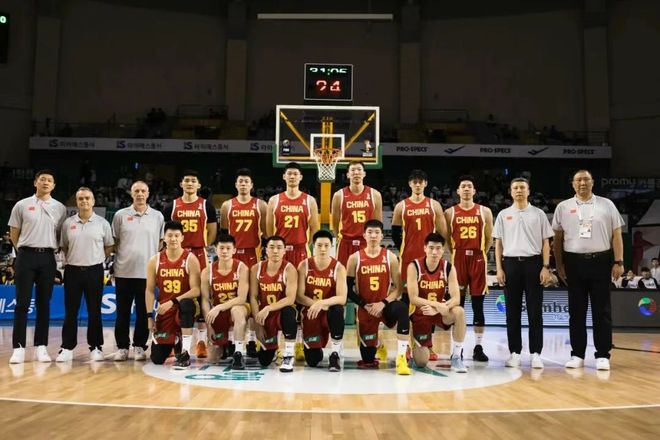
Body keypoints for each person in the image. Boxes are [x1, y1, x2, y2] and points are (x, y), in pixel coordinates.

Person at [553, 170, 625, 371]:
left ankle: (602, 355)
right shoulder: (563, 207)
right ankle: (577, 354)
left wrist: (618, 261)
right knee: (576, 312)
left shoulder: (607, 204)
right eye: (578, 180)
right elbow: (557, 239)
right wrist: (559, 265)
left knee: (602, 311)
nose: (582, 183)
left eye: (586, 179)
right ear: (573, 184)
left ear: (593, 182)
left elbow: (617, 235)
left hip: (601, 261)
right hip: (573, 263)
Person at [493, 177, 553, 369]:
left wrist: (545, 266)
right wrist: (499, 268)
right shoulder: (503, 215)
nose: (519, 190)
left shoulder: (539, 214)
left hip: (534, 264)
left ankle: (536, 353)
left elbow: (546, 242)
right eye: (515, 188)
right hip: (511, 264)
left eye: (522, 187)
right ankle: (515, 353)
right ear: (511, 192)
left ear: (528, 191)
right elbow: (498, 244)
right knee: (512, 312)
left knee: (535, 312)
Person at [8, 170, 67, 364]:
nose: (46, 182)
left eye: (49, 180)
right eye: (42, 179)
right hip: (26, 256)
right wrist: (23, 251)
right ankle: (18, 347)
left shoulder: (60, 208)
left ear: (54, 185)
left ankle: (41, 346)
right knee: (22, 303)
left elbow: (60, 234)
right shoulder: (22, 205)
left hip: (48, 257)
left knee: (44, 304)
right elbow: (14, 233)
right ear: (35, 183)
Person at [267, 162, 320, 361]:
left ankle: (298, 343)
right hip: (280, 253)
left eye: (295, 174)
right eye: (289, 173)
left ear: (300, 177)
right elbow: (270, 231)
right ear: (284, 176)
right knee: (278, 297)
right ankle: (277, 344)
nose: (292, 177)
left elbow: (315, 230)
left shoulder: (309, 200)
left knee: (300, 299)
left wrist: (309, 251)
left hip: (301, 252)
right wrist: (276, 251)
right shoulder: (274, 200)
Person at [164, 170, 218, 358]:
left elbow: (212, 231)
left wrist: (203, 245)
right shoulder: (171, 206)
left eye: (193, 180)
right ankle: (174, 339)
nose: (189, 183)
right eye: (186, 180)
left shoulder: (206, 205)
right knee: (176, 295)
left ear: (198, 185)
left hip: (198, 252)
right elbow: (167, 232)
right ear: (181, 184)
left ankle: (201, 341)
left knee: (203, 295)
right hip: (177, 253)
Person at [56, 187, 114, 362]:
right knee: (70, 311)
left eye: (87, 198)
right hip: (72, 271)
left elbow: (109, 246)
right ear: (77, 202)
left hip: (94, 271)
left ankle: (96, 347)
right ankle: (67, 347)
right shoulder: (68, 223)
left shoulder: (103, 223)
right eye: (81, 198)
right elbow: (64, 246)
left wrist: (95, 258)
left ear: (93, 201)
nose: (84, 201)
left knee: (94, 311)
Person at [346, 220, 410, 375]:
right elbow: (348, 290)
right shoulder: (354, 258)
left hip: (385, 306)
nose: (373, 236)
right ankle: (379, 344)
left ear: (382, 236)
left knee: (402, 309)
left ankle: (401, 356)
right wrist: (364, 305)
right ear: (364, 235)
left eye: (377, 232)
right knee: (368, 359)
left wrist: (383, 303)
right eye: (370, 232)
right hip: (366, 308)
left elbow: (399, 289)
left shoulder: (390, 257)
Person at [112, 181, 164, 362]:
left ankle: (139, 346)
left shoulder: (157, 216)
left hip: (147, 273)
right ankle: (122, 347)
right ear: (131, 193)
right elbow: (115, 241)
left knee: (144, 312)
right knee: (122, 313)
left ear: (148, 193)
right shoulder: (120, 215)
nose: (140, 194)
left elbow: (160, 243)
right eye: (137, 191)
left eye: (143, 191)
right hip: (123, 272)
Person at [444, 175, 493, 362]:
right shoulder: (450, 213)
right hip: (458, 258)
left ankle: (478, 347)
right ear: (458, 191)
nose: (466, 189)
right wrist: (457, 254)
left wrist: (480, 254)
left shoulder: (484, 211)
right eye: (463, 186)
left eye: (469, 186)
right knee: (458, 306)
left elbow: (489, 238)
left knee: (478, 306)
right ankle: (458, 349)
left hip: (478, 258)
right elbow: (447, 239)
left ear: (474, 191)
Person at [407, 233, 467, 373]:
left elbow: (456, 298)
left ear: (443, 250)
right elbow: (413, 298)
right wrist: (437, 305)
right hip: (421, 312)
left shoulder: (448, 267)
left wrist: (439, 308)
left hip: (439, 311)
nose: (434, 252)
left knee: (459, 311)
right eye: (431, 248)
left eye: (438, 248)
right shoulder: (414, 266)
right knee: (421, 362)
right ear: (425, 248)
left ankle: (456, 356)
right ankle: (412, 345)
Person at [145, 221, 201, 369]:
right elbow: (149, 290)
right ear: (164, 238)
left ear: (182, 238)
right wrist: (149, 316)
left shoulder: (190, 259)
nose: (173, 239)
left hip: (183, 307)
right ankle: (176, 340)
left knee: (187, 304)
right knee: (157, 358)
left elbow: (196, 290)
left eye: (176, 235)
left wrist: (173, 301)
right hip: (164, 310)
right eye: (170, 235)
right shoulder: (155, 260)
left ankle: (185, 352)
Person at [296, 230, 347, 371]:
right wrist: (316, 305)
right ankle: (310, 346)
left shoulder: (339, 268)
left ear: (331, 246)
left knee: (338, 309)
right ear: (313, 245)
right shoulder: (304, 265)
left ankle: (335, 353)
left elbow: (342, 298)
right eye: (319, 245)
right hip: (311, 313)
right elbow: (299, 296)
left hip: (329, 311)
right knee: (313, 361)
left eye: (326, 245)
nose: (323, 249)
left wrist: (321, 303)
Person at [249, 235, 298, 372]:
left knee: (289, 311)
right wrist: (257, 324)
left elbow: (290, 298)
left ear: (284, 251)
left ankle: (289, 354)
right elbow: (253, 297)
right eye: (272, 247)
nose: (275, 251)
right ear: (266, 250)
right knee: (264, 361)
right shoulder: (256, 269)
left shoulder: (289, 269)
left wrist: (268, 308)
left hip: (281, 312)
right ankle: (273, 349)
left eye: (279, 248)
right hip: (265, 316)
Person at [201, 234, 250, 369]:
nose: (224, 251)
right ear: (215, 250)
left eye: (228, 248)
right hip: (218, 312)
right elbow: (205, 300)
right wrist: (209, 326)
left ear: (234, 250)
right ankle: (225, 344)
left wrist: (219, 307)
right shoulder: (207, 272)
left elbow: (241, 298)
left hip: (238, 308)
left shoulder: (242, 268)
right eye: (221, 248)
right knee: (213, 359)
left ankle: (238, 353)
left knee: (237, 310)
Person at [392, 170, 448, 275]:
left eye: (420, 182)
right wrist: (403, 249)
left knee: (430, 285)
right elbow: (395, 234)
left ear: (425, 183)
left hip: (429, 255)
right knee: (407, 285)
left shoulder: (434, 205)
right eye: (414, 182)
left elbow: (443, 233)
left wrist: (437, 250)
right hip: (408, 255)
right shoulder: (400, 206)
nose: (417, 185)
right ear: (410, 184)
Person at [330, 162, 383, 266]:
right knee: (343, 274)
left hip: (366, 243)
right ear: (348, 175)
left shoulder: (375, 194)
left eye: (359, 169)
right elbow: (334, 223)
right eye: (353, 170)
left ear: (364, 174)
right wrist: (338, 238)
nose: (356, 172)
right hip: (346, 243)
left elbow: (378, 223)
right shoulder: (339, 195)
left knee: (365, 274)